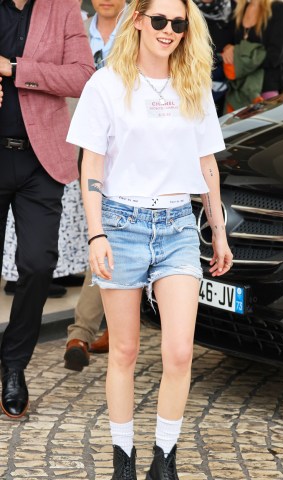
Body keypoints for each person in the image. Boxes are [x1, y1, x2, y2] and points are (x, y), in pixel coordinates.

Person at [67, 0, 233, 478]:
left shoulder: (192, 83)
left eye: (178, 23)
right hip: (120, 224)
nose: (168, 30)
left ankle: (164, 459)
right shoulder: (107, 83)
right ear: (137, 19)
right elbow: (91, 165)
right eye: (158, 20)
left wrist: (217, 233)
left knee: (180, 350)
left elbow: (207, 165)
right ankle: (124, 458)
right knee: (124, 350)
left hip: (179, 225)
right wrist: (96, 232)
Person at [0, 0, 94, 419]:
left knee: (38, 264)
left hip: (41, 162)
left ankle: (14, 365)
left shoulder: (63, 8)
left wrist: (15, 70)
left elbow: (81, 76)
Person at [64, 0, 128, 372]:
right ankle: (102, 328)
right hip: (82, 144)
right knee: (97, 230)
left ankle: (82, 331)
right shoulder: (76, 30)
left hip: (125, 149)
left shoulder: (141, 30)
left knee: (107, 231)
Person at [222, 0, 283, 111]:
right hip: (239, 90)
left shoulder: (279, 8)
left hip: (267, 89)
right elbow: (229, 45)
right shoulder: (239, 9)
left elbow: (276, 56)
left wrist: (238, 53)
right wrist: (228, 49)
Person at [193, 0, 235, 116]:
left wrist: (234, 47)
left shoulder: (232, 6)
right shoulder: (187, 6)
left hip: (226, 74)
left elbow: (243, 37)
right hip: (195, 72)